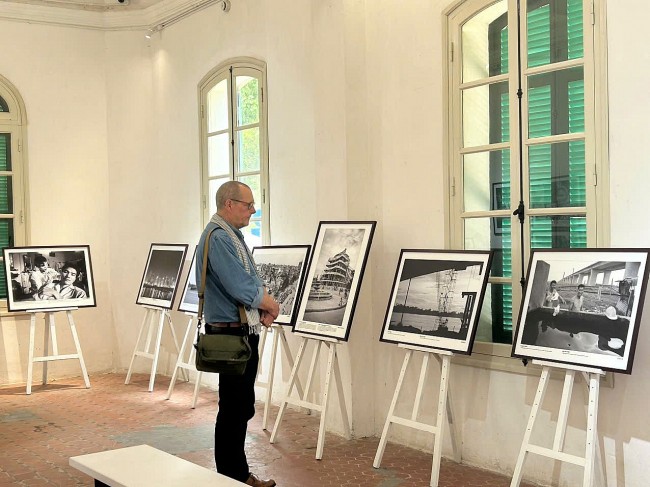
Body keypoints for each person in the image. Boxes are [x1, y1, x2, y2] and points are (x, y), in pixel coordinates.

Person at [196, 181, 279, 487]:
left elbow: (245, 280)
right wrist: (270, 304)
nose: (253, 210)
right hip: (232, 336)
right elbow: (239, 284)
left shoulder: (227, 235)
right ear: (229, 204)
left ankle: (235, 474)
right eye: (248, 204)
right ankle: (233, 476)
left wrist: (261, 309)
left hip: (237, 331)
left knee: (238, 405)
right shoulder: (219, 238)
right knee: (234, 408)